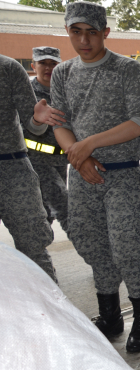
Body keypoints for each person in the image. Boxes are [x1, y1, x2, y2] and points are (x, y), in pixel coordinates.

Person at [52, 1, 140, 353]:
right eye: (76, 32)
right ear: (68, 32)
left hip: (122, 172)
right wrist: (78, 157)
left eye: (92, 33)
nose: (84, 41)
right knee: (92, 242)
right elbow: (60, 124)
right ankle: (110, 315)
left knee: (127, 245)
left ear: (105, 33)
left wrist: (88, 145)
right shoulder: (62, 73)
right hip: (82, 174)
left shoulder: (126, 69)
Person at [0, 55, 64, 283]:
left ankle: (53, 315)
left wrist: (37, 120)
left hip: (13, 170)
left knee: (34, 249)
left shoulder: (8, 68)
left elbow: (32, 124)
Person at [23, 47, 70, 237]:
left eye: (53, 63)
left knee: (45, 213)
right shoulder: (26, 92)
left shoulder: (66, 91)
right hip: (36, 160)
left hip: (61, 160)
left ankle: (37, 259)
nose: (48, 68)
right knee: (64, 206)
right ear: (33, 66)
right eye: (43, 63)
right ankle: (95, 252)